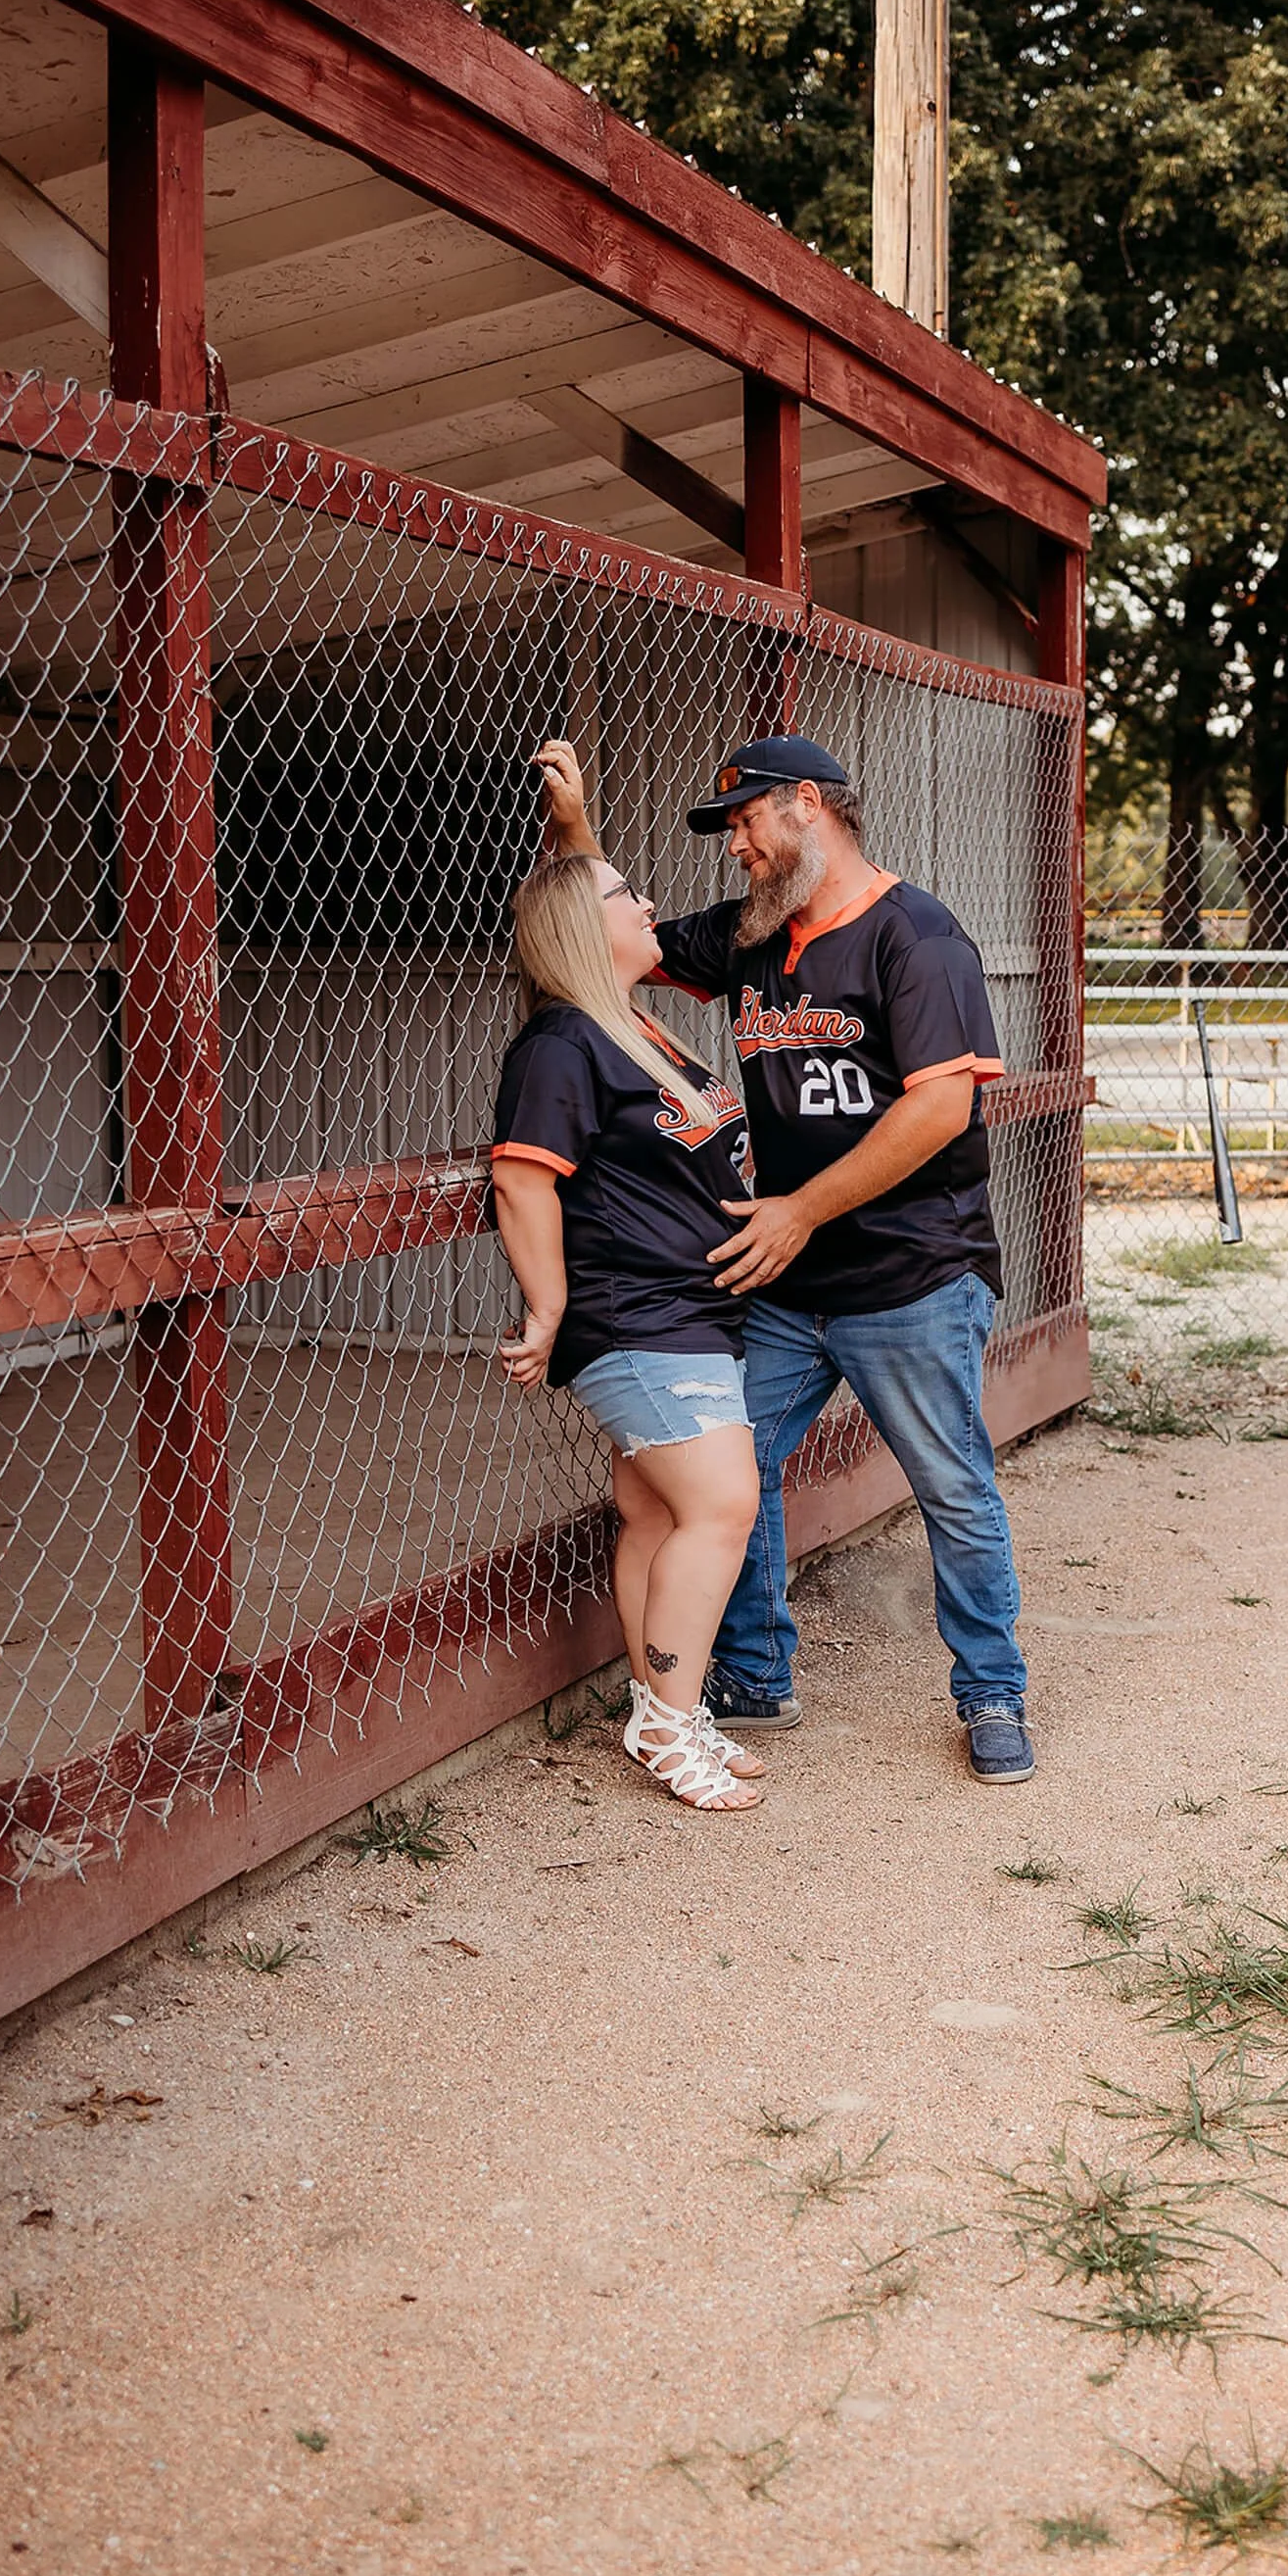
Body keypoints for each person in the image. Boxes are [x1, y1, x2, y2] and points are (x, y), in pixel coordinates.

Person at [533, 733, 1035, 1784]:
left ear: (808, 804)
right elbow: (615, 942)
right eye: (726, 832)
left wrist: (800, 1208)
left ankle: (991, 1690)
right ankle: (754, 1675)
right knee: (732, 1468)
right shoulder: (756, 933)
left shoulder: (916, 936)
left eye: (746, 822)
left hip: (911, 1274)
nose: (735, 849)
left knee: (950, 1483)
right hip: (783, 1279)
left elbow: (943, 1104)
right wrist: (574, 827)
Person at [491, 846, 766, 1813]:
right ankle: (662, 1723)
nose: (651, 904)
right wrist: (550, 1307)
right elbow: (523, 1176)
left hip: (689, 1309)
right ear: (577, 927)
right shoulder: (561, 1043)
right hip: (636, 1313)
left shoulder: (633, 1027)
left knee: (656, 1514)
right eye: (625, 896)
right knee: (723, 1505)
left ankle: (670, 1708)